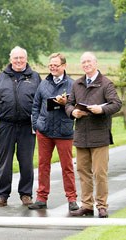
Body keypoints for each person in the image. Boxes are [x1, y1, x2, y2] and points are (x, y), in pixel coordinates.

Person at [65, 52, 122, 218]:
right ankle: (87, 205)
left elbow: (116, 104)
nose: (86, 64)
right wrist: (73, 112)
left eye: (89, 61)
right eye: (83, 62)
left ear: (95, 63)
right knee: (83, 172)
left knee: (100, 173)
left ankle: (102, 205)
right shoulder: (77, 84)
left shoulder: (106, 84)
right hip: (81, 135)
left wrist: (101, 109)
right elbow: (68, 103)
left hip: (100, 136)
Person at [0, 46, 41, 207]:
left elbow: (41, 102)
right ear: (10, 59)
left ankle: (26, 194)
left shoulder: (35, 77)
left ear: (26, 59)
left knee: (26, 161)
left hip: (27, 126)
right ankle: (2, 194)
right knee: (5, 161)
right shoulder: (1, 77)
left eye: (21, 58)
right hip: (6, 125)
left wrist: (39, 123)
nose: (18, 61)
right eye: (15, 58)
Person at [29, 53, 79, 212]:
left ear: (64, 66)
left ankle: (72, 199)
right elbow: (36, 105)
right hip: (44, 131)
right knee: (43, 165)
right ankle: (41, 198)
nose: (53, 68)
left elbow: (77, 108)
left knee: (67, 166)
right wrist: (36, 124)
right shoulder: (43, 84)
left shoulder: (73, 85)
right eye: (51, 65)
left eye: (56, 65)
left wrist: (66, 104)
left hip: (64, 131)